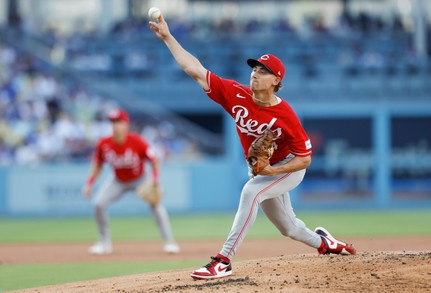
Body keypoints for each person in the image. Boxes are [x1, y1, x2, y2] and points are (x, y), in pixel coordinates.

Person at [149, 14, 356, 280]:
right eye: (254, 69)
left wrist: (271, 171)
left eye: (262, 71)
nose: (255, 74)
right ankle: (326, 243)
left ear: (276, 81)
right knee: (289, 228)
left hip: (288, 167)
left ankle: (223, 261)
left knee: (250, 193)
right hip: (264, 170)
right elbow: (195, 69)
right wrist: (168, 37)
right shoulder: (236, 93)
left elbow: (305, 159)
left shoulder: (286, 115)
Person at [82, 109, 180, 255]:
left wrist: (154, 179)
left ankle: (169, 242)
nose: (115, 125)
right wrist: (89, 183)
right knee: (98, 204)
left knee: (156, 205)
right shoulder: (104, 143)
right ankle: (104, 243)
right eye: (113, 122)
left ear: (126, 124)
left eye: (118, 122)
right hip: (118, 180)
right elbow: (98, 164)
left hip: (140, 179)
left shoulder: (137, 141)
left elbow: (154, 160)